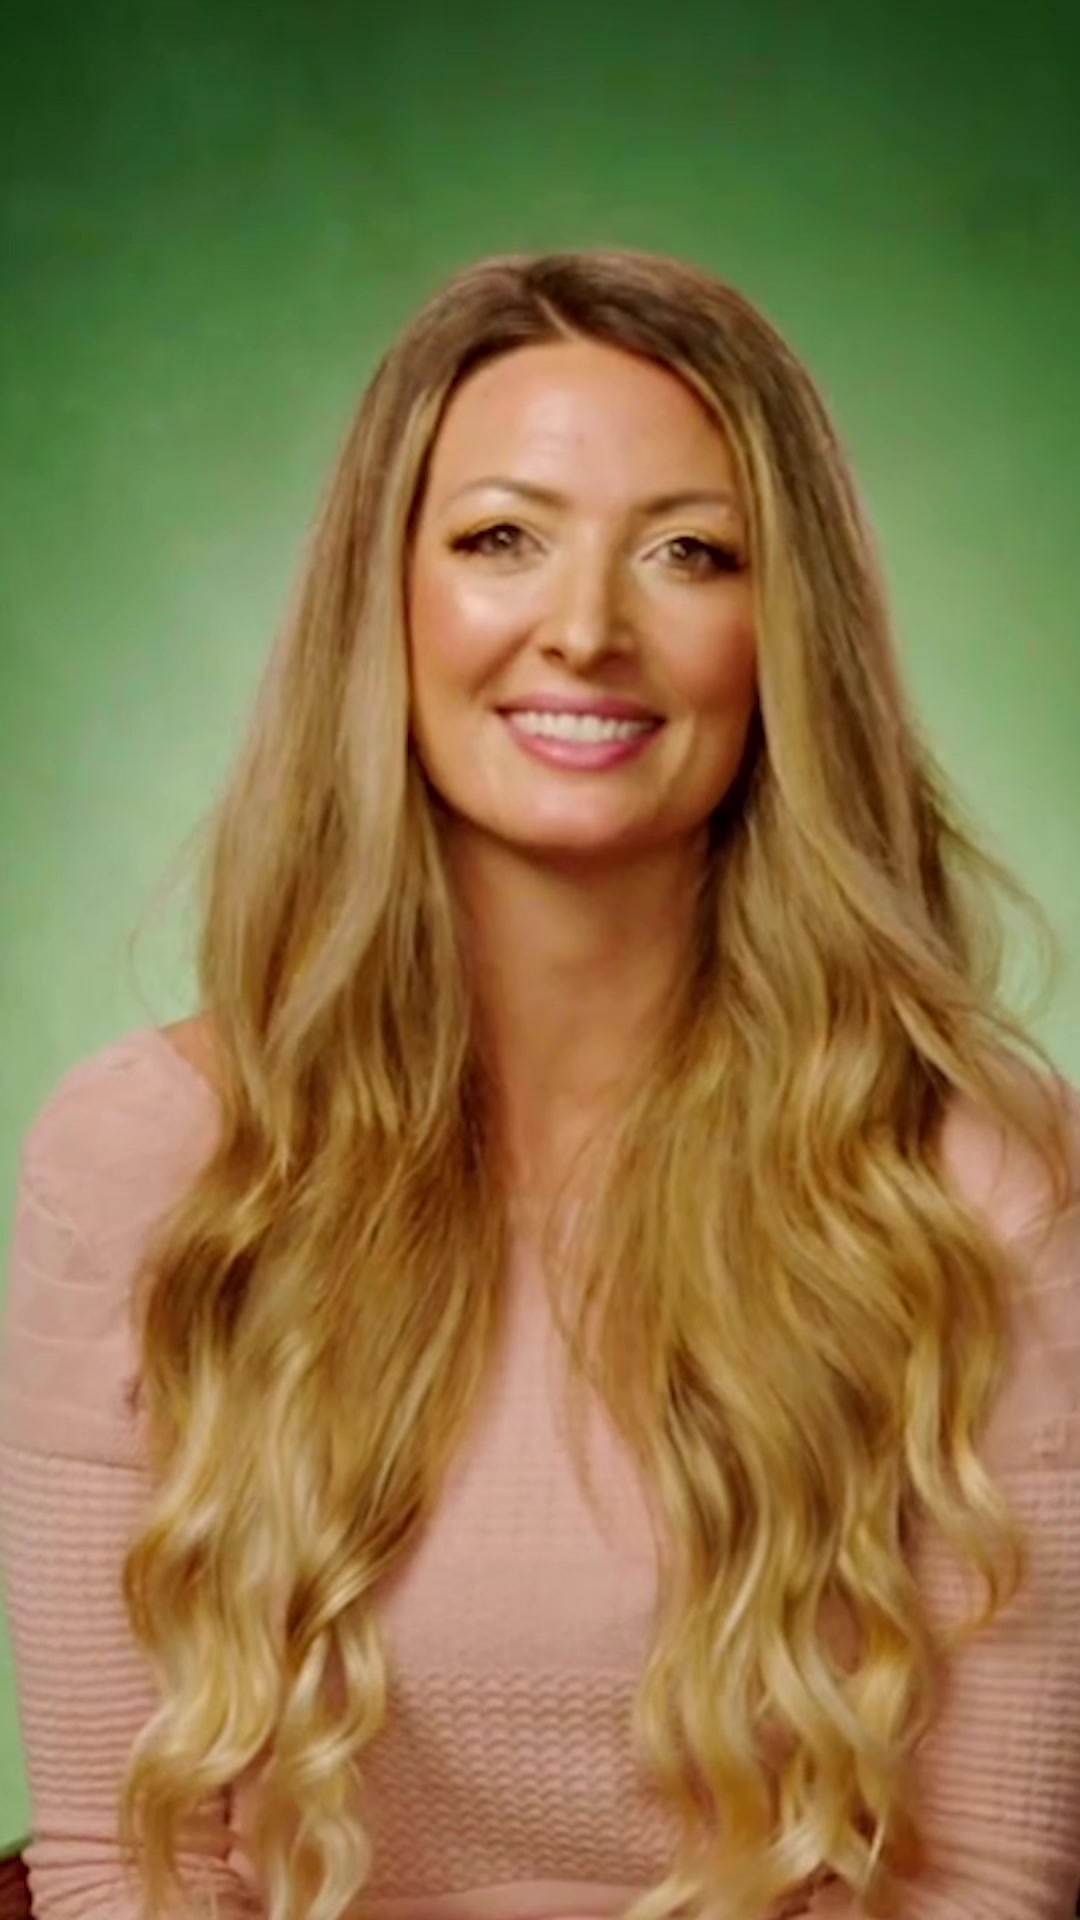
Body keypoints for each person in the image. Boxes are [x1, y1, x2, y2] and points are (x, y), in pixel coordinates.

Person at [0, 248, 1077, 1920]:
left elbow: (991, 1885)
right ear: (387, 603)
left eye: (689, 552)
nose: (584, 630)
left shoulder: (978, 1186)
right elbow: (117, 1869)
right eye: (501, 539)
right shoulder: (146, 1160)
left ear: (785, 637)